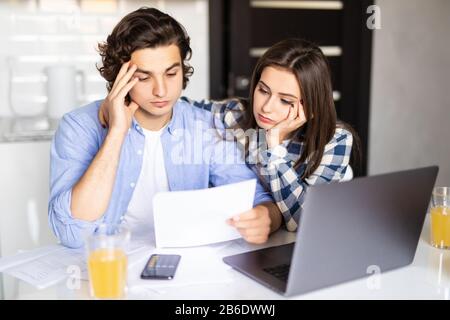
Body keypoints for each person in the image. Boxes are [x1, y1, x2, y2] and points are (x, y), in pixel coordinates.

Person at [49, 7, 282, 249]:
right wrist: (116, 133)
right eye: (144, 77)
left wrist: (267, 216)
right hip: (109, 265)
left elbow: (256, 198)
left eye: (171, 73)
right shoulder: (78, 127)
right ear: (120, 77)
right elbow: (72, 233)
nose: (161, 90)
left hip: (184, 265)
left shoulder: (205, 127)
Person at [184, 38, 359, 232]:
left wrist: (274, 146)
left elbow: (304, 221)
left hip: (300, 248)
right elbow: (185, 107)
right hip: (247, 237)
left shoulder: (335, 140)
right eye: (263, 90)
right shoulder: (238, 115)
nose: (266, 107)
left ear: (310, 107)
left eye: (285, 100)